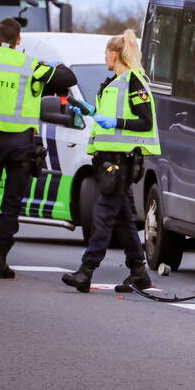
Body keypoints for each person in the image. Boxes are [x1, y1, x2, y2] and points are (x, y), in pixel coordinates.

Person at [0, 18, 76, 278]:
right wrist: (56, 67)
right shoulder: (30, 65)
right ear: (18, 39)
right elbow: (68, 78)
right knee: (10, 205)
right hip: (20, 145)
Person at [62, 29, 159, 293]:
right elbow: (107, 117)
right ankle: (139, 273)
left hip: (121, 162)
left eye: (106, 52)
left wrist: (115, 122)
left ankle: (86, 270)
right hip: (109, 160)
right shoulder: (113, 83)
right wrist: (90, 111)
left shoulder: (134, 82)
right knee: (123, 220)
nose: (104, 56)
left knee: (103, 215)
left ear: (114, 54)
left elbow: (145, 121)